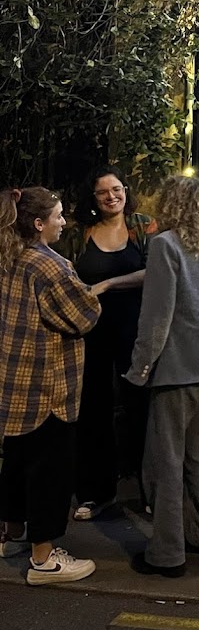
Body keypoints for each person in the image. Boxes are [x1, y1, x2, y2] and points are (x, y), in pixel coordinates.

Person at [124, 176, 199, 577]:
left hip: (176, 368)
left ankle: (167, 553)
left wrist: (140, 368)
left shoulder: (164, 245)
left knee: (167, 462)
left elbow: (156, 317)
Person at [0, 187, 102, 585]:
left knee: (16, 462)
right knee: (50, 471)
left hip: (13, 381)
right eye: (58, 216)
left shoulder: (9, 255)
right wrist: (97, 295)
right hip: (47, 386)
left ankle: (12, 533)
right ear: (39, 223)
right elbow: (84, 316)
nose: (64, 221)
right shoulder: (50, 266)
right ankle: (44, 559)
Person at [59, 164, 157, 520]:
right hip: (91, 334)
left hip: (136, 331)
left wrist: (108, 285)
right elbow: (68, 274)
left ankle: (151, 491)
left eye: (116, 190)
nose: (112, 197)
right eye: (104, 192)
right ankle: (94, 492)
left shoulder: (143, 226)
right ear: (94, 198)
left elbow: (157, 271)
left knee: (142, 409)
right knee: (93, 411)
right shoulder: (80, 234)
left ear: (125, 191)